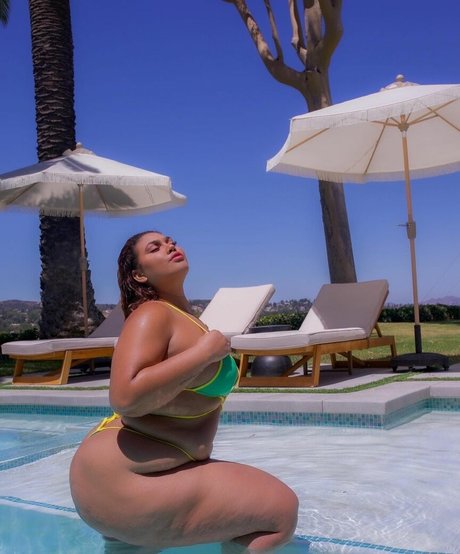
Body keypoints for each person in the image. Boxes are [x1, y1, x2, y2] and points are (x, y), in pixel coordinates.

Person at [69, 230, 299, 553]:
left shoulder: (181, 317)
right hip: (126, 481)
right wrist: (204, 354)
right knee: (280, 511)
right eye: (155, 248)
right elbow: (124, 397)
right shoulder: (152, 314)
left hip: (123, 480)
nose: (170, 246)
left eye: (170, 241)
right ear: (139, 274)